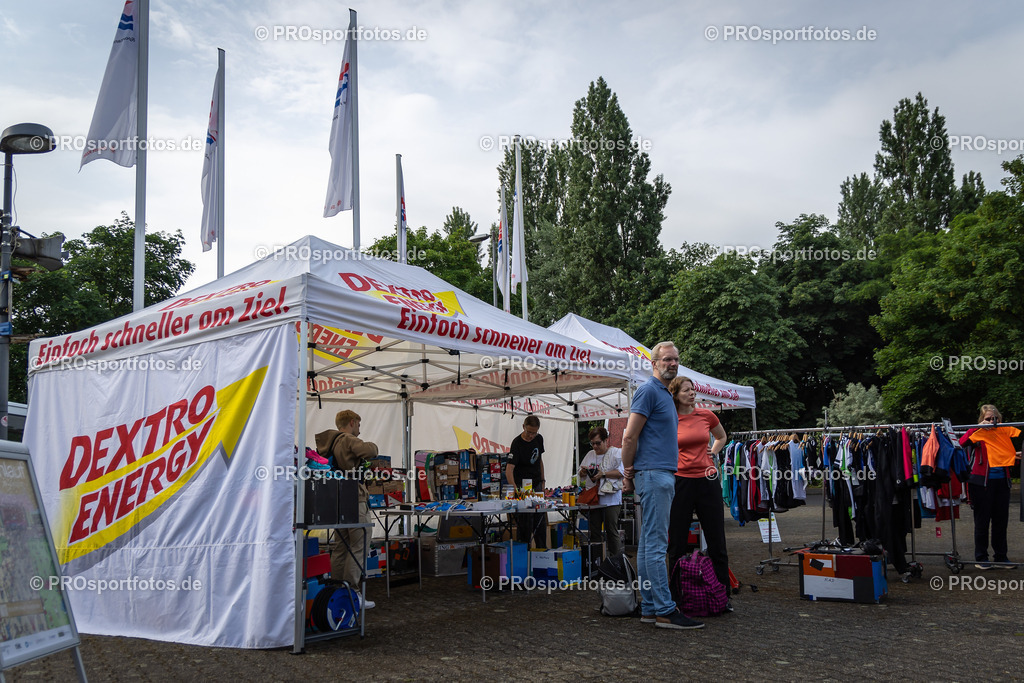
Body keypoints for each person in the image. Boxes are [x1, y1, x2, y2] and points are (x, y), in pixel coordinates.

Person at [621, 342, 704, 630]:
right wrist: (628, 473)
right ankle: (665, 610)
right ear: (654, 362)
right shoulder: (647, 390)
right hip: (654, 474)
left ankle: (650, 606)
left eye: (676, 359)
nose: (673, 363)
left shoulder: (664, 394)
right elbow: (629, 437)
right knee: (657, 545)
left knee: (647, 546)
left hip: (659, 474)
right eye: (667, 359)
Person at [666, 376, 731, 607]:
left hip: (707, 479)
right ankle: (676, 597)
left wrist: (713, 451)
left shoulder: (707, 415)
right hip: (681, 482)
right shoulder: (669, 418)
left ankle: (723, 595)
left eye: (693, 389)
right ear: (675, 395)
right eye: (686, 390)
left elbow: (722, 437)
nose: (692, 393)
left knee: (716, 540)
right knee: (677, 542)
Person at [315, 409, 377, 608]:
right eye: (358, 424)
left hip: (336, 500)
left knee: (341, 547)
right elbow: (371, 451)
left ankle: (335, 590)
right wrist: (372, 445)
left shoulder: (327, 442)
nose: (359, 429)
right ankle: (353, 592)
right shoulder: (348, 440)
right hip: (354, 498)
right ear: (352, 422)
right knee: (360, 544)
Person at [959, 404, 1021, 570]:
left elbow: (1002, 454)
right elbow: (961, 443)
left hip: (1002, 481)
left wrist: (1014, 455)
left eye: (995, 419)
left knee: (1001, 521)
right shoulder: (978, 434)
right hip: (981, 483)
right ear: (982, 420)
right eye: (988, 419)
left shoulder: (1002, 434)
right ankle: (981, 557)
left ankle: (1001, 557)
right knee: (982, 521)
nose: (993, 421)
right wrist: (976, 429)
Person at [578, 426, 624, 557]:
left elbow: (622, 472)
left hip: (611, 499)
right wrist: (582, 472)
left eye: (598, 443)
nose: (595, 447)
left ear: (606, 440)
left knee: (611, 530)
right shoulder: (589, 455)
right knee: (595, 531)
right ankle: (596, 562)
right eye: (592, 443)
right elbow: (580, 477)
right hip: (593, 498)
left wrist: (602, 474)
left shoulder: (616, 453)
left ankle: (616, 562)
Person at [506, 415, 547, 548]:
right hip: (522, 487)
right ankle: (524, 553)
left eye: (534, 433)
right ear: (523, 427)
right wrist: (514, 488)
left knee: (540, 522)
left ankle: (542, 553)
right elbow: (509, 468)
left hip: (536, 483)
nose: (531, 436)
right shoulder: (517, 443)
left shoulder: (539, 439)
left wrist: (543, 480)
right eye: (529, 432)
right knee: (524, 524)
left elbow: (540, 460)